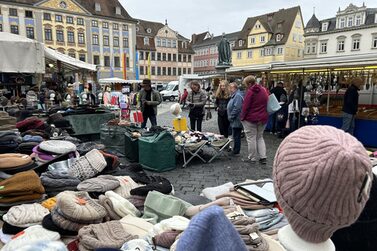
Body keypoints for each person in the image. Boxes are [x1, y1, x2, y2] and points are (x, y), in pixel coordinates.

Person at [240, 75, 269, 164]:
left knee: (251, 138)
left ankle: (252, 158)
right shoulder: (264, 90)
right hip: (263, 118)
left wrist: (242, 117)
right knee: (260, 137)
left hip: (251, 119)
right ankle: (263, 157)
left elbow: (245, 107)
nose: (245, 87)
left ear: (249, 83)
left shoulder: (250, 92)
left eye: (245, 84)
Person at [227, 82, 243, 155]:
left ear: (235, 88)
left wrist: (231, 116)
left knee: (236, 135)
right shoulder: (235, 95)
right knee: (235, 135)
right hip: (235, 119)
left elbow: (237, 108)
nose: (229, 89)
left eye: (231, 88)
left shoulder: (237, 96)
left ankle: (236, 150)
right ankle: (235, 149)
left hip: (236, 119)